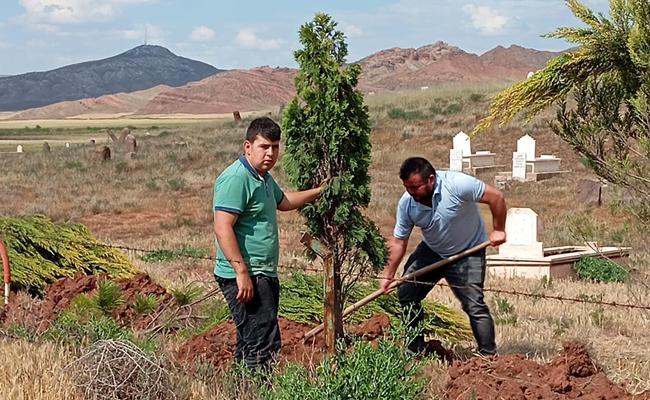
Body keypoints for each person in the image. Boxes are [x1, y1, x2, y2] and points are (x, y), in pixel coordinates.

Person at [213, 117, 324, 372]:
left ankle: (241, 388)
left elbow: (283, 201)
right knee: (264, 343)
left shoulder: (262, 177)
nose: (271, 153)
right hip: (246, 275)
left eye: (275, 147)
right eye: (264, 147)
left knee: (251, 341)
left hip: (262, 272)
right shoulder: (236, 178)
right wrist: (241, 272)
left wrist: (318, 192)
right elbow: (222, 227)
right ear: (248, 146)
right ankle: (259, 390)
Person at [380, 157, 506, 356]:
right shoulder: (407, 204)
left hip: (469, 251)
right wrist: (388, 275)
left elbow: (496, 197)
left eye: (416, 187)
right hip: (433, 251)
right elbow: (399, 242)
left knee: (474, 303)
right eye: (407, 188)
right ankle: (415, 349)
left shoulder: (457, 184)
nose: (411, 193)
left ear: (431, 179)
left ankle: (488, 356)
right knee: (407, 292)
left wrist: (499, 229)